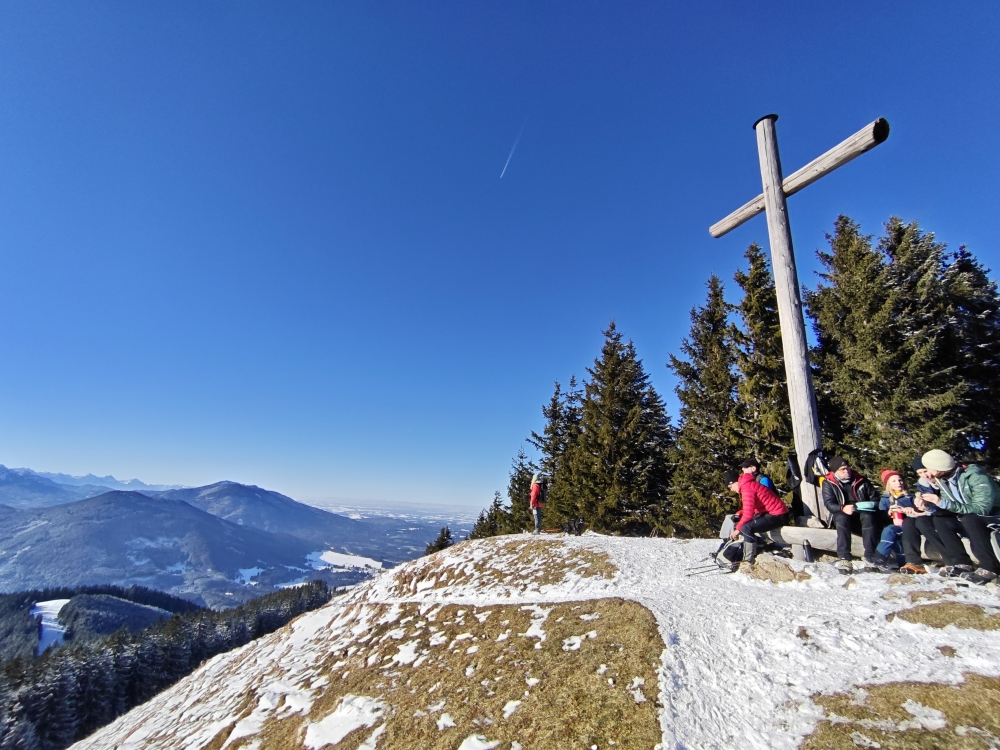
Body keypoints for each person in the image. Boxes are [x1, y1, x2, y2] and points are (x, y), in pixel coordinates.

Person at [918, 449, 1000, 584]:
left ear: (938, 469)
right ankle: (961, 562)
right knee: (941, 520)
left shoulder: (975, 476)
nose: (927, 474)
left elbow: (982, 509)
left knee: (970, 518)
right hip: (970, 519)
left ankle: (989, 567)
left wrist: (941, 502)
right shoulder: (944, 481)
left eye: (928, 469)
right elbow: (951, 507)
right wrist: (929, 507)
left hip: (992, 516)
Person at [821, 457, 884, 573]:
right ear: (835, 472)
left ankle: (870, 556)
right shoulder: (829, 483)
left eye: (847, 468)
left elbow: (877, 500)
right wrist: (842, 507)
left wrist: (868, 505)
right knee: (841, 517)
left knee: (868, 516)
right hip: (843, 514)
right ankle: (845, 558)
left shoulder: (861, 480)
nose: (847, 471)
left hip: (863, 513)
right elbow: (829, 504)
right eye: (842, 470)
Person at [725, 468, 789, 564]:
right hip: (772, 513)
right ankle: (744, 555)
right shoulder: (747, 485)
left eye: (730, 487)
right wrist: (740, 513)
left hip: (778, 515)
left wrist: (738, 529)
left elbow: (748, 514)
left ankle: (748, 561)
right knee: (744, 525)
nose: (732, 490)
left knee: (746, 527)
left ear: (734, 482)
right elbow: (752, 508)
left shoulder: (746, 488)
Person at [898, 455, 946, 575]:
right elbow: (925, 507)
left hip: (946, 514)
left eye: (925, 471)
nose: (925, 475)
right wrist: (917, 509)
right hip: (932, 513)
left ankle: (948, 557)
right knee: (909, 522)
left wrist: (926, 509)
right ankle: (913, 561)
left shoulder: (942, 481)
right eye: (920, 473)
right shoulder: (923, 484)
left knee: (921, 522)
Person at [874, 469, 913, 569]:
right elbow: (880, 517)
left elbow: (919, 512)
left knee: (890, 530)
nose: (898, 483)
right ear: (888, 484)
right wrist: (888, 513)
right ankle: (902, 562)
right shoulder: (885, 498)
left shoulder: (910, 497)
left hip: (909, 526)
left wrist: (906, 511)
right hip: (894, 526)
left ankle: (880, 556)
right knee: (893, 535)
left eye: (900, 480)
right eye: (894, 481)